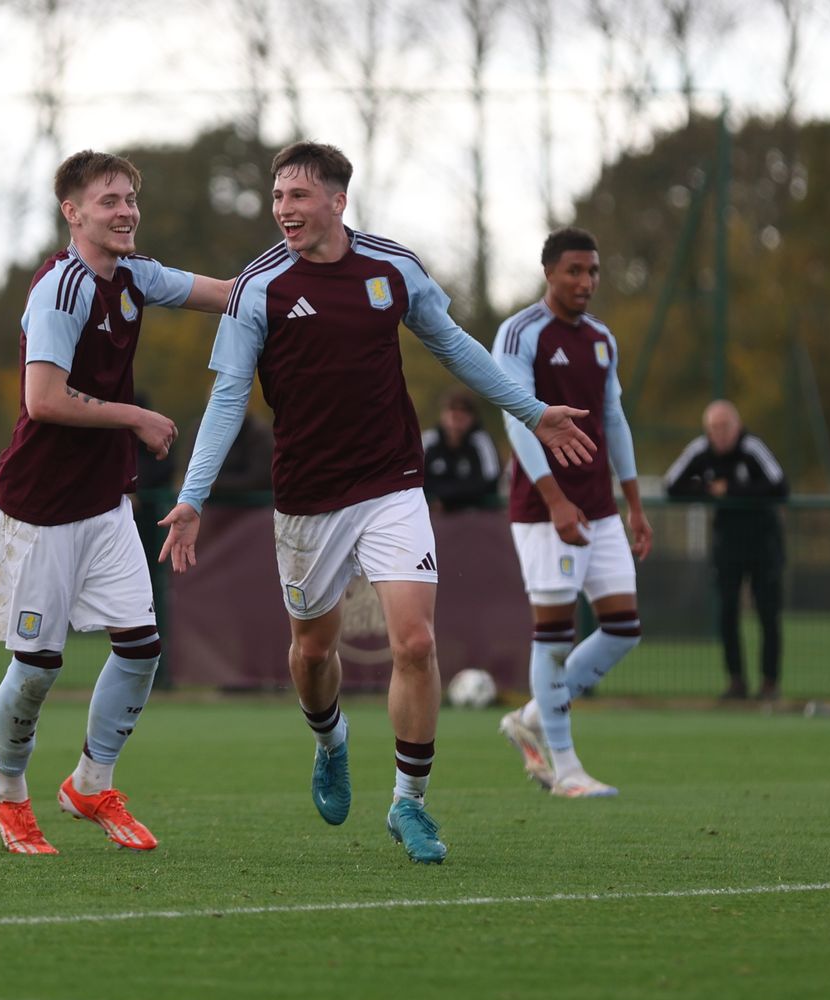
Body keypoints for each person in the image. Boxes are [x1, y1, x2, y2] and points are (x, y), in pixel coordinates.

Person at [157, 142, 596, 864]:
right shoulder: (256, 288)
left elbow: (454, 346)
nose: (283, 209)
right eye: (277, 197)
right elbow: (230, 395)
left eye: (298, 195)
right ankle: (330, 740)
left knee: (416, 641)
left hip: (392, 482)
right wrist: (194, 495)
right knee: (312, 650)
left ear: (337, 200)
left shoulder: (393, 266)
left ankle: (410, 803)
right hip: (305, 498)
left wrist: (533, 407)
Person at [0, 150, 231, 855]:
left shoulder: (134, 276)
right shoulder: (61, 288)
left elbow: (225, 293)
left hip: (103, 504)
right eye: (109, 200)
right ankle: (7, 793)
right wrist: (135, 416)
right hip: (37, 509)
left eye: (130, 198)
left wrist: (301, 276)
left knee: (142, 646)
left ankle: (91, 781)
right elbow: (44, 400)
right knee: (35, 669)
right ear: (74, 212)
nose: (125, 210)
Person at [490, 227, 653, 800]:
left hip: (601, 509)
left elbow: (613, 420)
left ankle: (534, 714)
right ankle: (565, 769)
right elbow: (517, 417)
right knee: (555, 635)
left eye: (593, 272)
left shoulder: (603, 339)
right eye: (575, 271)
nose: (586, 282)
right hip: (543, 510)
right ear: (549, 273)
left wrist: (633, 504)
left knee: (624, 629)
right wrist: (555, 500)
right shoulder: (519, 332)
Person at [663, 400, 789, 701]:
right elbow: (671, 485)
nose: (719, 434)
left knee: (768, 614)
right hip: (727, 546)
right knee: (727, 612)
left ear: (737, 426)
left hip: (764, 543)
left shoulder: (752, 448)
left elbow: (780, 486)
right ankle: (736, 682)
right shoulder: (700, 450)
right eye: (713, 428)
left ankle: (770, 683)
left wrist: (731, 489)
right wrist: (707, 491)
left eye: (724, 427)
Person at [421, 388, 501, 512]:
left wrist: (447, 498)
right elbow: (417, 478)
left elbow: (490, 480)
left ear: (473, 417)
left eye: (464, 411)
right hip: (433, 515)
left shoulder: (482, 441)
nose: (457, 416)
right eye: (452, 409)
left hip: (476, 516)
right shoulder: (428, 440)